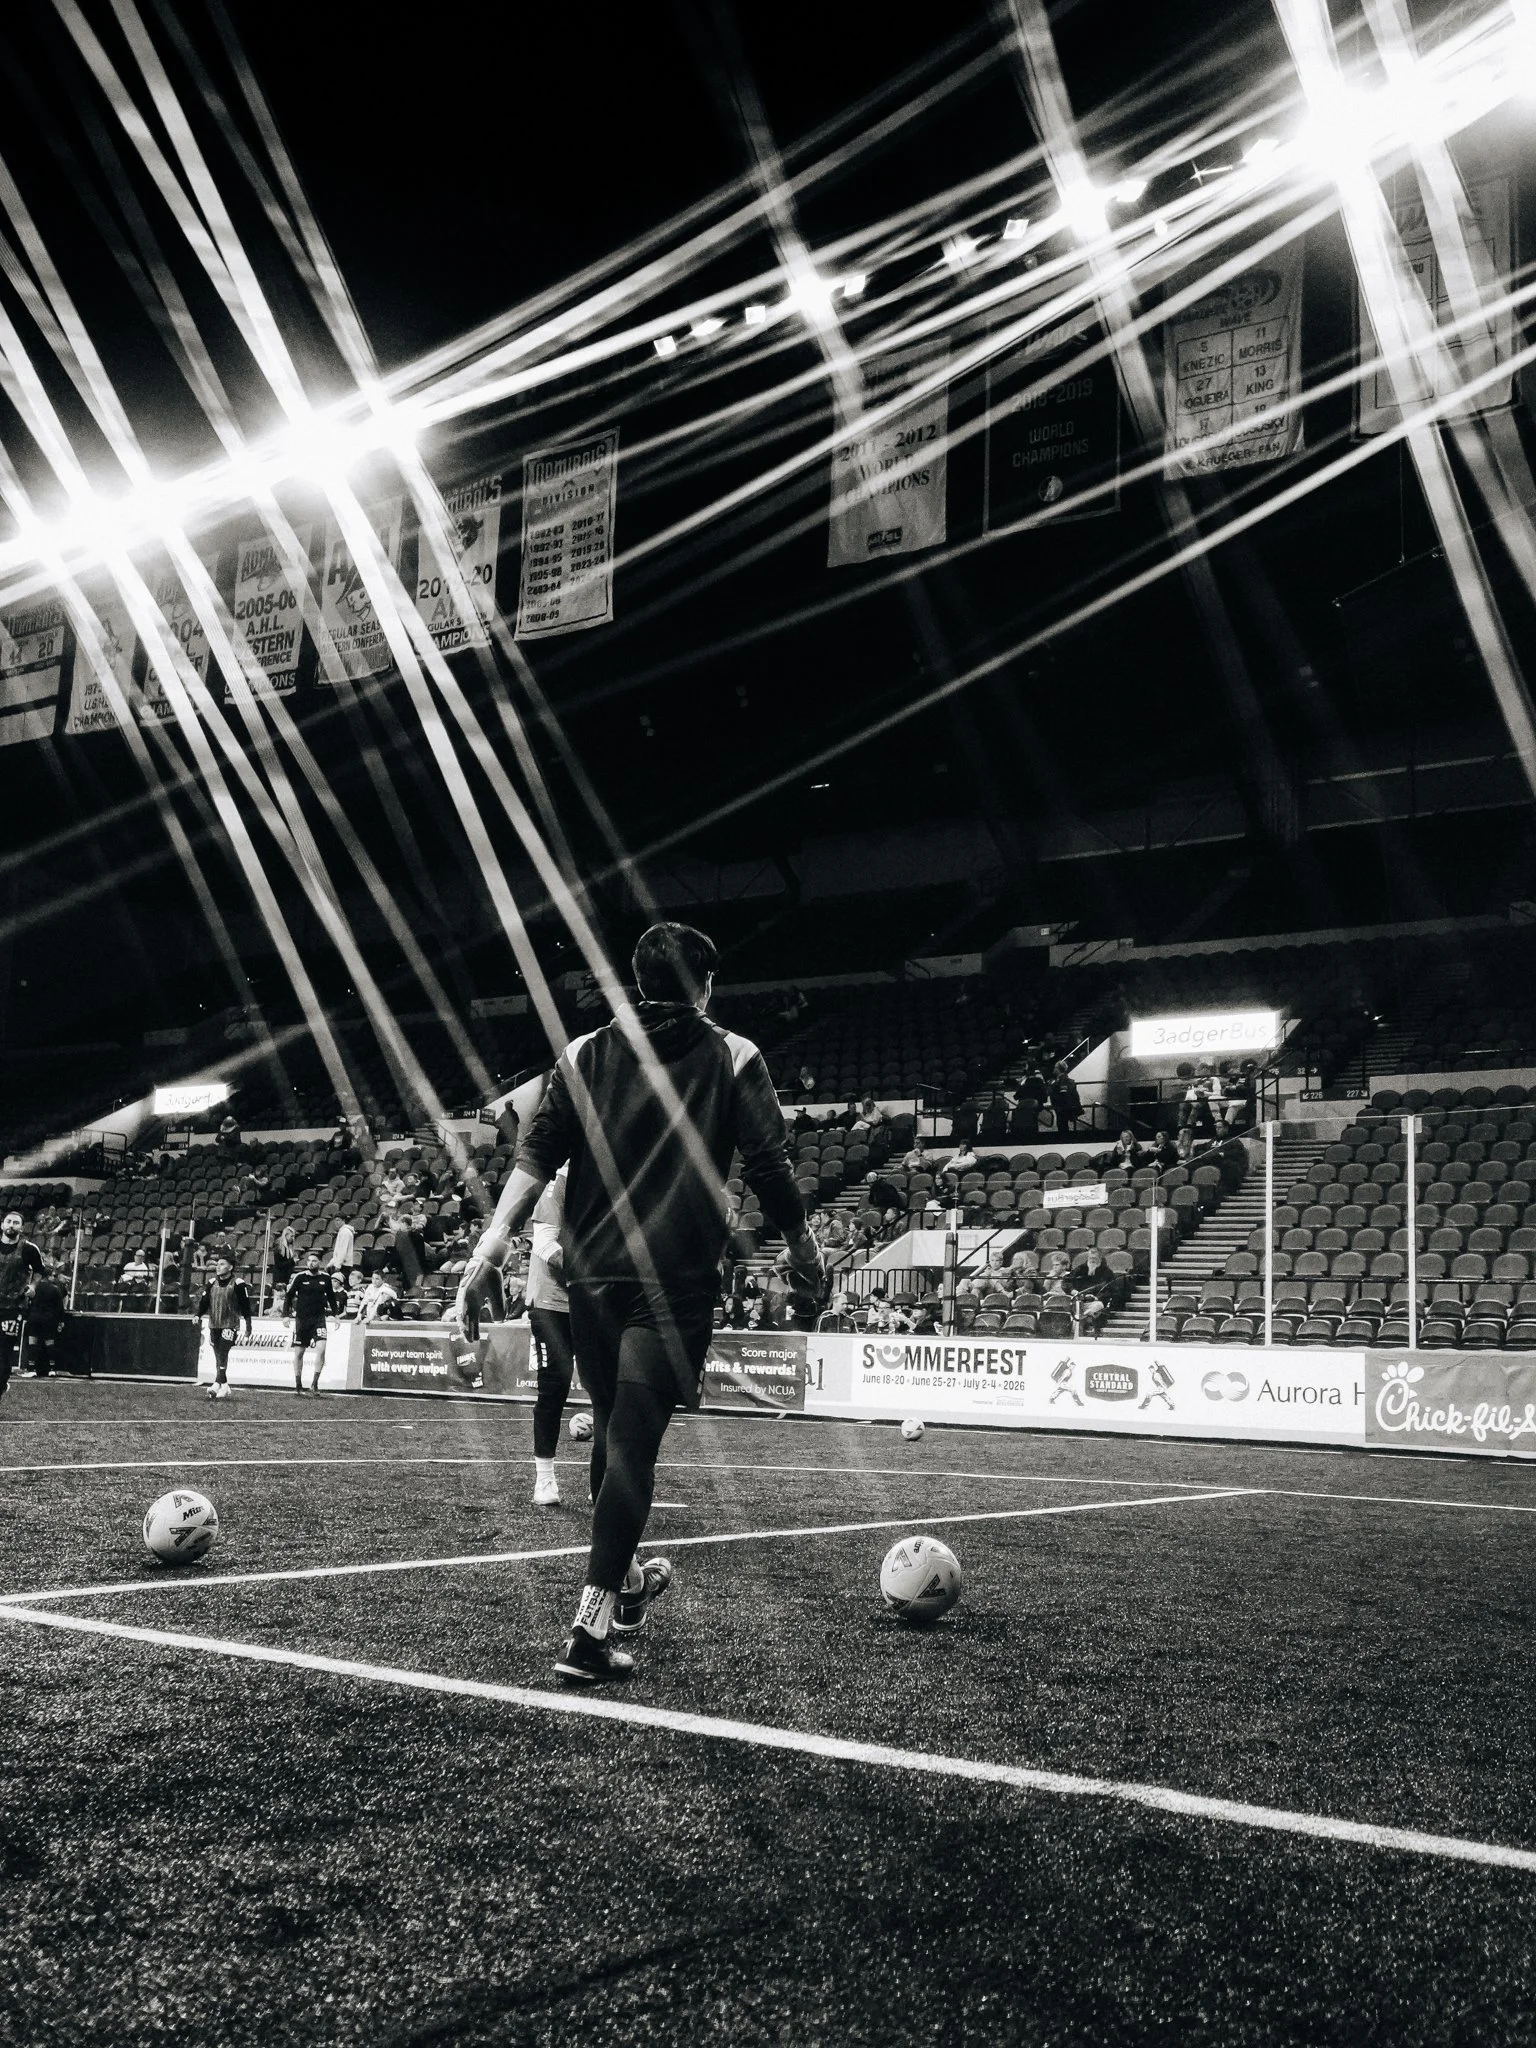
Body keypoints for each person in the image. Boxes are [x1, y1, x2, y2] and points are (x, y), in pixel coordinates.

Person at [454, 920, 822, 1685]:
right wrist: (806, 1247)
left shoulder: (583, 1053)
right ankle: (587, 1632)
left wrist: (490, 1244)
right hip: (672, 1283)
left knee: (613, 1433)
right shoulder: (734, 1054)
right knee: (631, 1444)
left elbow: (536, 1151)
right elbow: (770, 1162)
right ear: (706, 985)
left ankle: (624, 1592)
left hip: (589, 1280)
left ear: (637, 982)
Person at [527, 1165, 576, 1508]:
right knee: (556, 1382)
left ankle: (602, 1477)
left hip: (594, 1299)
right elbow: (545, 1244)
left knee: (612, 1387)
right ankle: (544, 1478)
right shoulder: (560, 1182)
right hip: (551, 1300)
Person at [0, 1211, 44, 1399]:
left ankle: (0, 1386)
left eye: (16, 1223)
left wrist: (33, 1286)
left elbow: (40, 1270)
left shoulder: (28, 1249)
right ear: (2, 1225)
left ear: (22, 1227)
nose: (11, 1225)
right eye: (8, 1221)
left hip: (13, 1306)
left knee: (3, 1351)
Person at [198, 1255, 252, 1402]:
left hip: (230, 1324)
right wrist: (198, 1315)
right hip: (214, 1323)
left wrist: (248, 1325)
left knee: (222, 1351)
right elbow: (204, 1302)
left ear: (230, 1267)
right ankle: (223, 1384)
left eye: (222, 1264)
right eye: (217, 1264)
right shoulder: (211, 1283)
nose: (218, 1266)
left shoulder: (238, 1283)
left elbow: (245, 1306)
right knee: (219, 1355)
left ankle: (219, 1384)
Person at [283, 1252, 339, 1395]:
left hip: (319, 1319)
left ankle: (314, 1384)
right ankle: (298, 1384)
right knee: (299, 1352)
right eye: (309, 1261)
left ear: (319, 1262)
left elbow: (331, 1297)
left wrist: (336, 1315)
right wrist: (285, 1315)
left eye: (314, 1261)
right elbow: (289, 1296)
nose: (311, 1263)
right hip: (302, 1319)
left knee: (321, 1349)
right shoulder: (300, 1277)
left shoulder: (325, 1278)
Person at [24, 1262, 68, 1378]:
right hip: (49, 1320)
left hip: (34, 1319)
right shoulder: (55, 1289)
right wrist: (61, 1321)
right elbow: (60, 1307)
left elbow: (26, 1303)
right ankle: (52, 1369)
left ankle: (31, 1369)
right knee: (50, 1344)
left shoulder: (33, 1288)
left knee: (32, 1343)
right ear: (50, 1275)